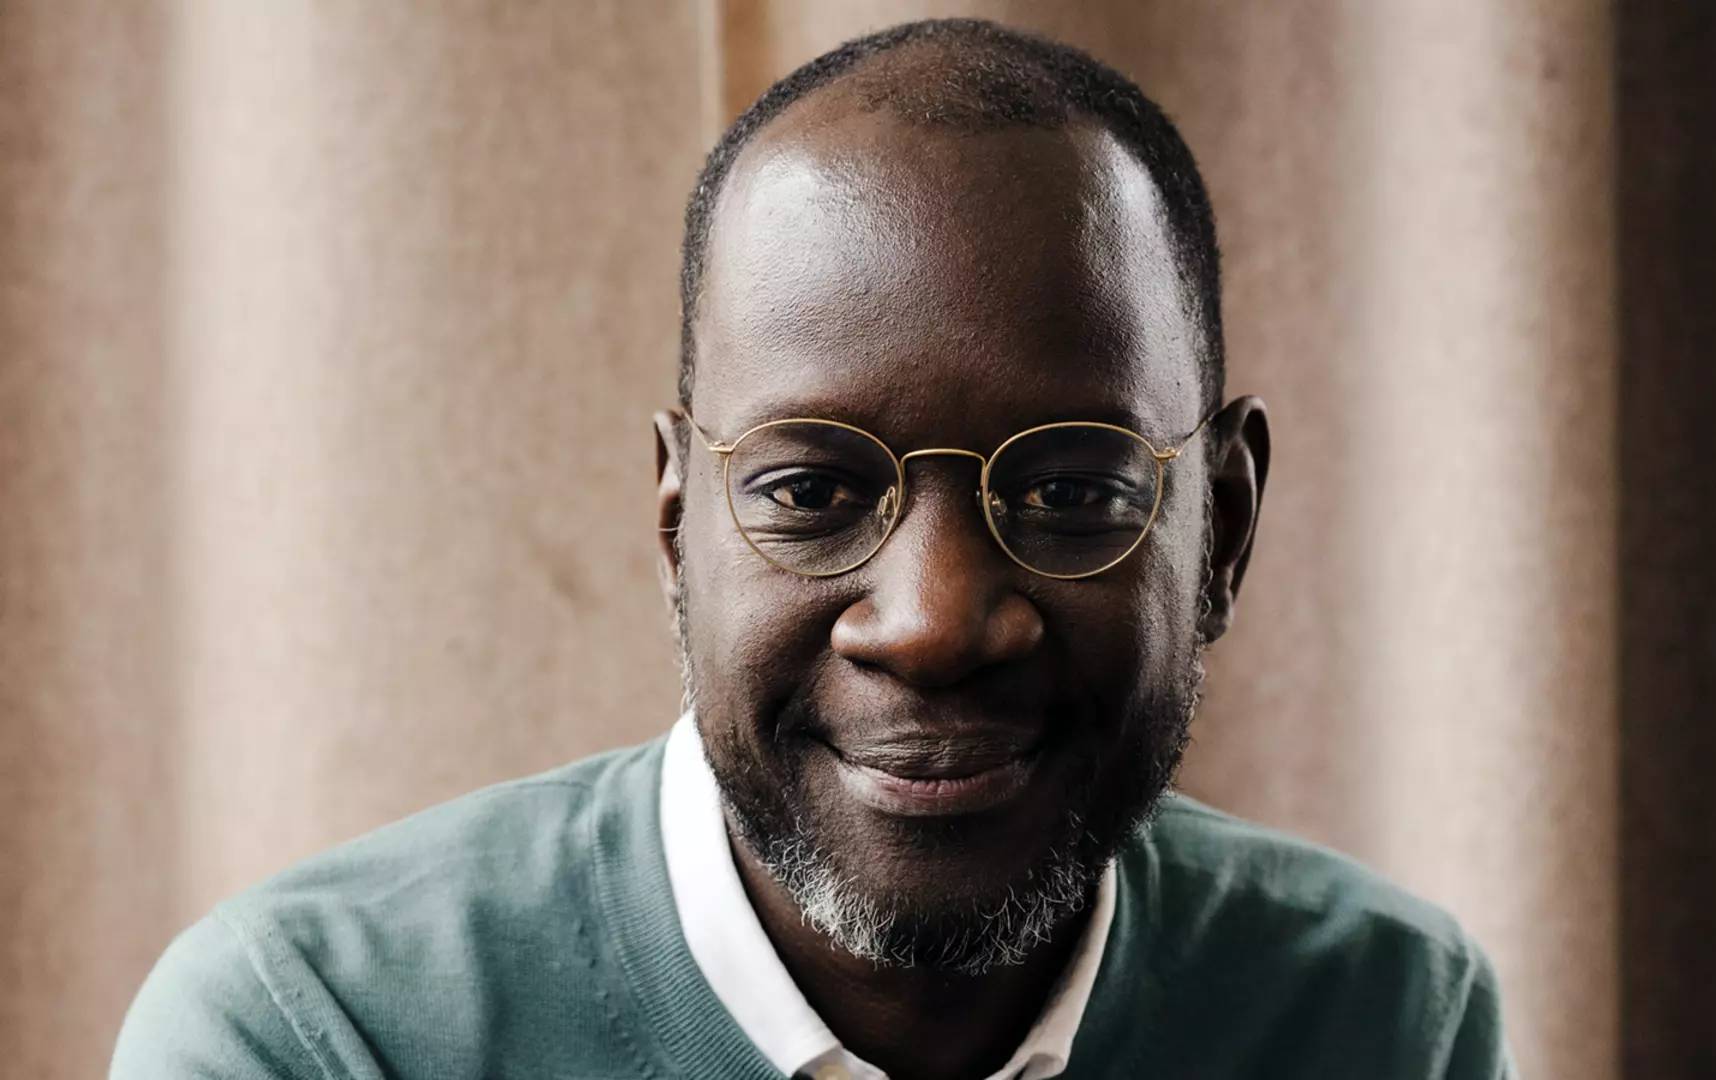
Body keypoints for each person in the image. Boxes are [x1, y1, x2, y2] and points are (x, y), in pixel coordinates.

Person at [113, 18, 1516, 1080]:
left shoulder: (1385, 1020)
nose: (935, 621)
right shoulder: (319, 1036)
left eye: (1074, 494)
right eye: (810, 492)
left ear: (1227, 529)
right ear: (677, 523)